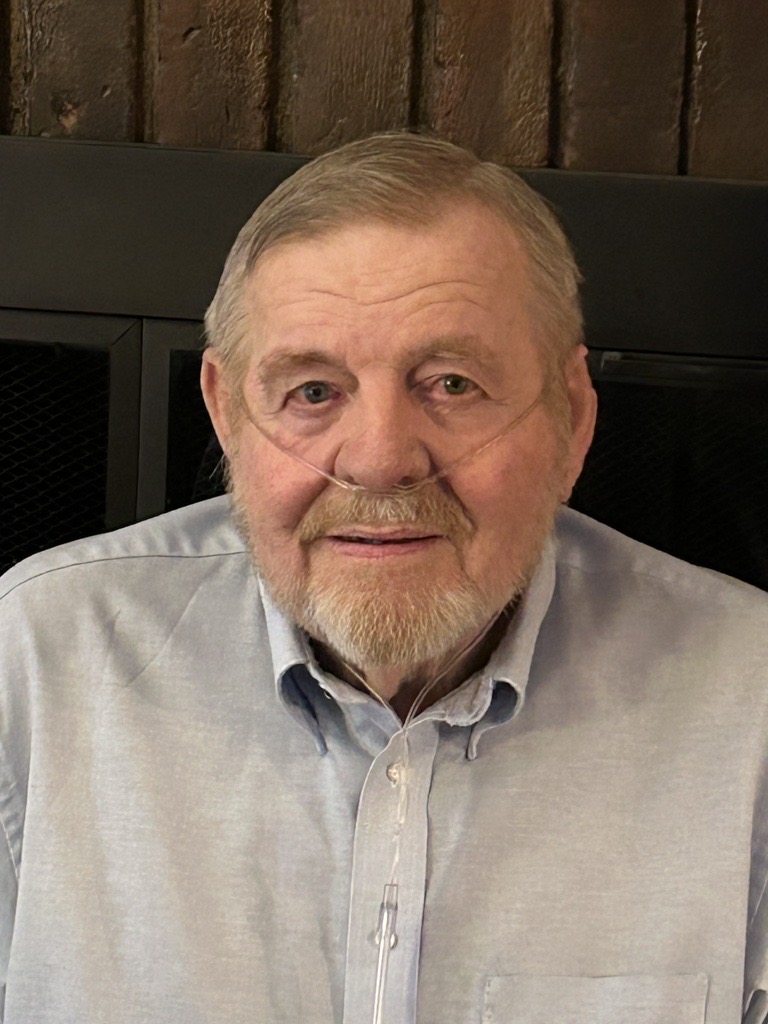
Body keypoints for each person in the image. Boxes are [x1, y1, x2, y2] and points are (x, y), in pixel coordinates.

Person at [0, 132, 766, 1024]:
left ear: (572, 420)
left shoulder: (748, 700)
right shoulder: (35, 661)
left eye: (450, 383)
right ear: (225, 415)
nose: (378, 461)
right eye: (314, 392)